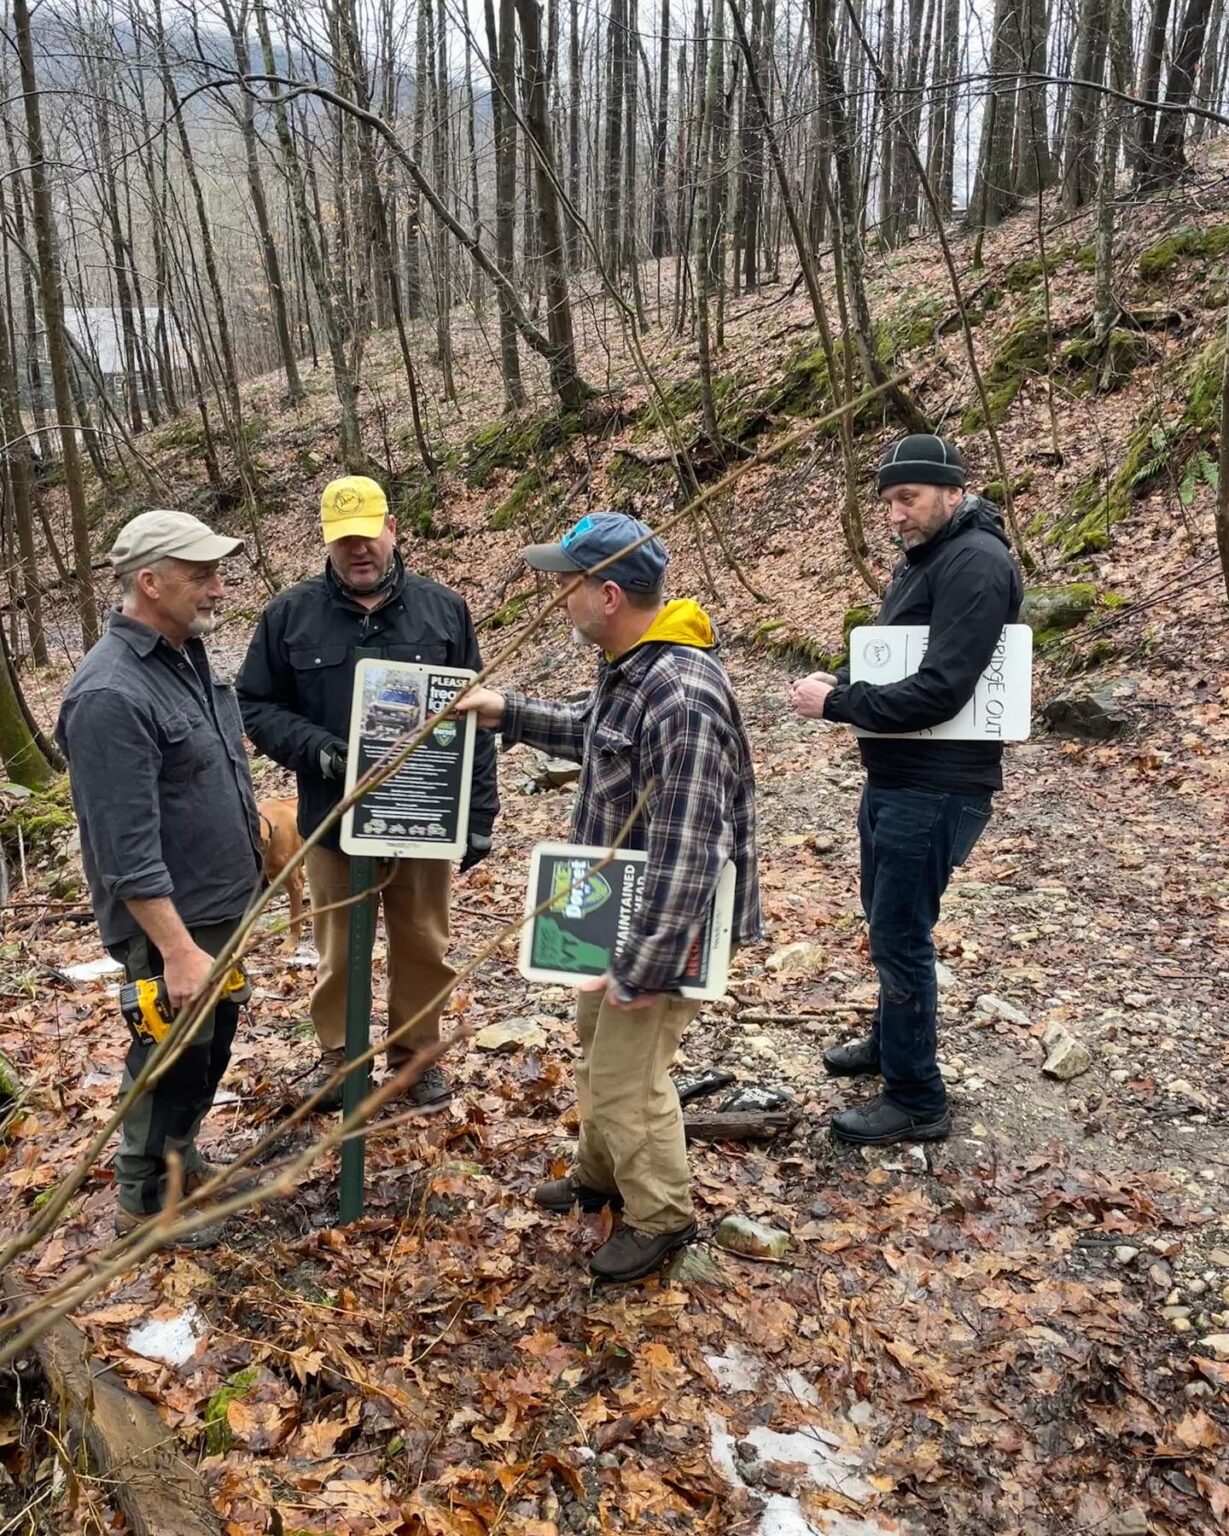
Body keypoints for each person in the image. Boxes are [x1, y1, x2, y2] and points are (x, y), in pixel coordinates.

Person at [458, 511, 761, 1283]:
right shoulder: (633, 668)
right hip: (613, 910)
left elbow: (692, 852)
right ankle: (600, 1177)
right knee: (595, 1049)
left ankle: (660, 1214)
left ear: (611, 595)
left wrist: (639, 967)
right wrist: (511, 714)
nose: (560, 598)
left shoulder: (681, 694)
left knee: (629, 1077)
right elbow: (595, 733)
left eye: (569, 585)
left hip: (659, 927)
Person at [236, 475, 498, 1109]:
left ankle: (414, 1058)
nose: (359, 551)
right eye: (344, 540)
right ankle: (340, 1059)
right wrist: (319, 750)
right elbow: (255, 703)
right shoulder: (289, 615)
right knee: (338, 948)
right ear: (328, 543)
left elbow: (475, 715)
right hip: (330, 816)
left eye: (369, 536)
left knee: (424, 942)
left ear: (393, 530)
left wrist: (479, 813)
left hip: (426, 814)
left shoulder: (444, 610)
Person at [791, 434, 1023, 1147]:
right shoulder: (926, 557)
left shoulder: (976, 564)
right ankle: (893, 1044)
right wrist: (845, 680)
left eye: (908, 498)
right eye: (887, 500)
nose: (894, 513)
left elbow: (940, 690)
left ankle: (916, 1098)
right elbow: (891, 655)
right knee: (884, 921)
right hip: (897, 775)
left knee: (900, 934)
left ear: (952, 492)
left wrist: (836, 705)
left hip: (936, 785)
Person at [56, 510, 263, 1247]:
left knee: (209, 1046)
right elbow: (125, 848)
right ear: (150, 581)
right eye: (201, 574)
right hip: (170, 925)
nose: (217, 586)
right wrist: (176, 949)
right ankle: (146, 1201)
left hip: (220, 906)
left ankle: (183, 1162)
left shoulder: (183, 655)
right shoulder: (110, 693)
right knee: (168, 1055)